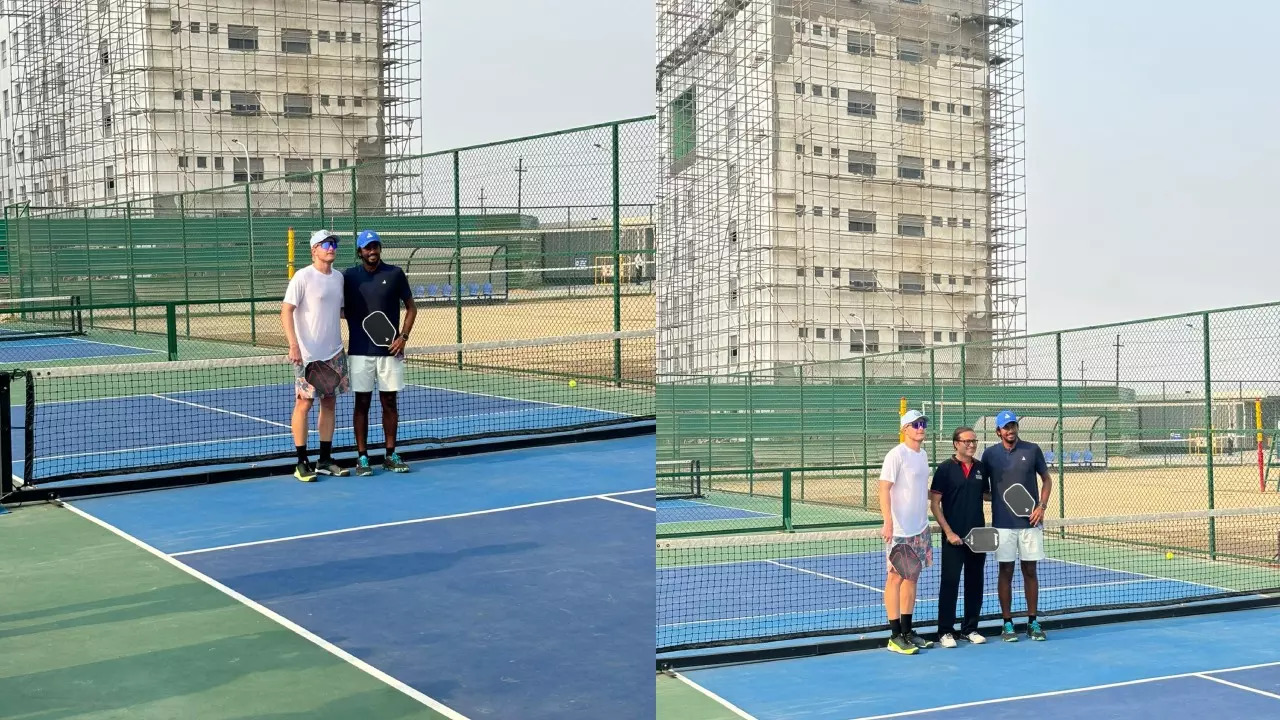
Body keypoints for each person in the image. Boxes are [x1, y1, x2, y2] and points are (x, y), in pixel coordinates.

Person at [343, 228, 417, 476]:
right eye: (367, 247)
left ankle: (390, 454)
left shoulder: (395, 274)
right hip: (359, 352)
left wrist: (403, 337)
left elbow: (411, 308)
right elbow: (336, 307)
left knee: (389, 402)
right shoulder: (349, 277)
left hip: (390, 352)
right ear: (360, 251)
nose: (372, 251)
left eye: (375, 246)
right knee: (361, 403)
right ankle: (362, 458)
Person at [282, 229, 350, 482]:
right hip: (308, 355)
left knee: (330, 403)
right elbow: (286, 311)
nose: (331, 248)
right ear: (314, 250)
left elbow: (340, 312)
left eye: (333, 244)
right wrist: (294, 345)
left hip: (334, 353)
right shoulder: (302, 277)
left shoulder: (339, 278)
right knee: (304, 403)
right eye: (325, 244)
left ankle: (325, 459)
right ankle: (301, 462)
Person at [981, 409, 1053, 642]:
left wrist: (1041, 506)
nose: (1011, 430)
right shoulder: (989, 455)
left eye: (1013, 426)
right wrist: (999, 498)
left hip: (1030, 524)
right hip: (1002, 524)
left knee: (1030, 571)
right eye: (1006, 427)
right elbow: (983, 491)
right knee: (1006, 572)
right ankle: (1008, 624)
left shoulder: (1032, 450)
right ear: (998, 431)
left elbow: (1047, 479)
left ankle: (1032, 621)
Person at [879, 409, 934, 655]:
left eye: (922, 423)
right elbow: (883, 489)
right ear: (904, 429)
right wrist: (888, 522)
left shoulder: (922, 455)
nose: (920, 428)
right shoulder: (895, 455)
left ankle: (907, 631)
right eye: (915, 424)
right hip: (900, 530)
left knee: (912, 579)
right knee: (896, 579)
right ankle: (894, 636)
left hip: (920, 529)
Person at [930, 426, 991, 648]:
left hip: (979, 536)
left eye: (974, 441)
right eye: (967, 441)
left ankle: (970, 628)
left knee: (975, 583)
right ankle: (945, 631)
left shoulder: (981, 468)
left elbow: (987, 495)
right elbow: (935, 504)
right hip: (953, 537)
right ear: (956, 443)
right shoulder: (945, 469)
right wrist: (949, 531)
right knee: (950, 583)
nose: (972, 444)